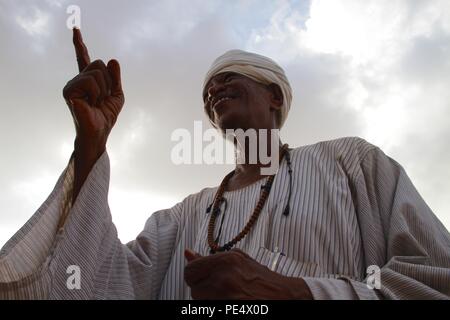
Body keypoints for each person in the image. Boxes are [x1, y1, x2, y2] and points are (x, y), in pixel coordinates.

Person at [0, 28, 449, 300]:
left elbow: (436, 279)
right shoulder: (182, 218)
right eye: (207, 89)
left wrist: (295, 291)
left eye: (229, 76)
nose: (213, 87)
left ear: (275, 95)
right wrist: (91, 145)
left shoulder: (352, 164)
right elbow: (98, 282)